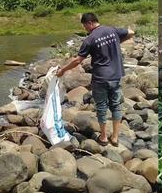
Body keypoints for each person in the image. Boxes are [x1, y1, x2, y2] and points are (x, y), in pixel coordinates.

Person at [56, 13, 135, 147]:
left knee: (101, 107)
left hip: (100, 77)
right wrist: (116, 42)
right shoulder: (112, 30)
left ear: (90, 23)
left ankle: (103, 137)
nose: (85, 29)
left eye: (84, 26)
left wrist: (63, 70)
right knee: (116, 105)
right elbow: (131, 32)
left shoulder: (90, 39)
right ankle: (115, 137)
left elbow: (78, 60)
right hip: (115, 75)